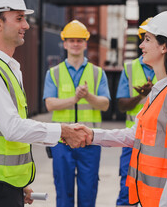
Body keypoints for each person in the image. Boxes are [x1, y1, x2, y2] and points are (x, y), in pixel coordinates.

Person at [0, 0, 91, 207]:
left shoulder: (9, 68)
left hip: (7, 185)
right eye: (20, 18)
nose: (26, 25)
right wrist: (62, 131)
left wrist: (18, 184)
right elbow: (13, 128)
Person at [78, 11, 167, 206]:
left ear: (164, 47)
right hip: (150, 198)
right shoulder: (158, 91)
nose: (141, 45)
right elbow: (134, 135)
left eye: (147, 39)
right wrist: (92, 135)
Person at [43, 20, 110, 207]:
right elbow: (49, 104)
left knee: (88, 191)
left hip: (90, 140)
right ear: (64, 43)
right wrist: (73, 99)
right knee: (63, 191)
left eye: (79, 40)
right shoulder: (53, 73)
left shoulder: (98, 73)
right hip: (62, 141)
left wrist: (87, 96)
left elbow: (105, 105)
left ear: (85, 43)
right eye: (71, 40)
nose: (75, 44)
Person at [115, 17, 156, 207]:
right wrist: (141, 96)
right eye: (144, 39)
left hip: (160, 143)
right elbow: (122, 106)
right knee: (127, 190)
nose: (144, 44)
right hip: (133, 140)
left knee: (156, 192)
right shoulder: (130, 68)